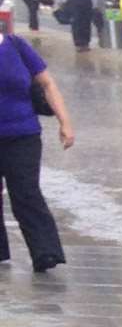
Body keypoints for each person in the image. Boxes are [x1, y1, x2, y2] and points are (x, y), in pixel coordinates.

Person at [0, 26, 74, 272]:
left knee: (26, 191)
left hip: (23, 133)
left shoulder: (16, 46)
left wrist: (65, 123)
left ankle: (45, 252)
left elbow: (47, 84)